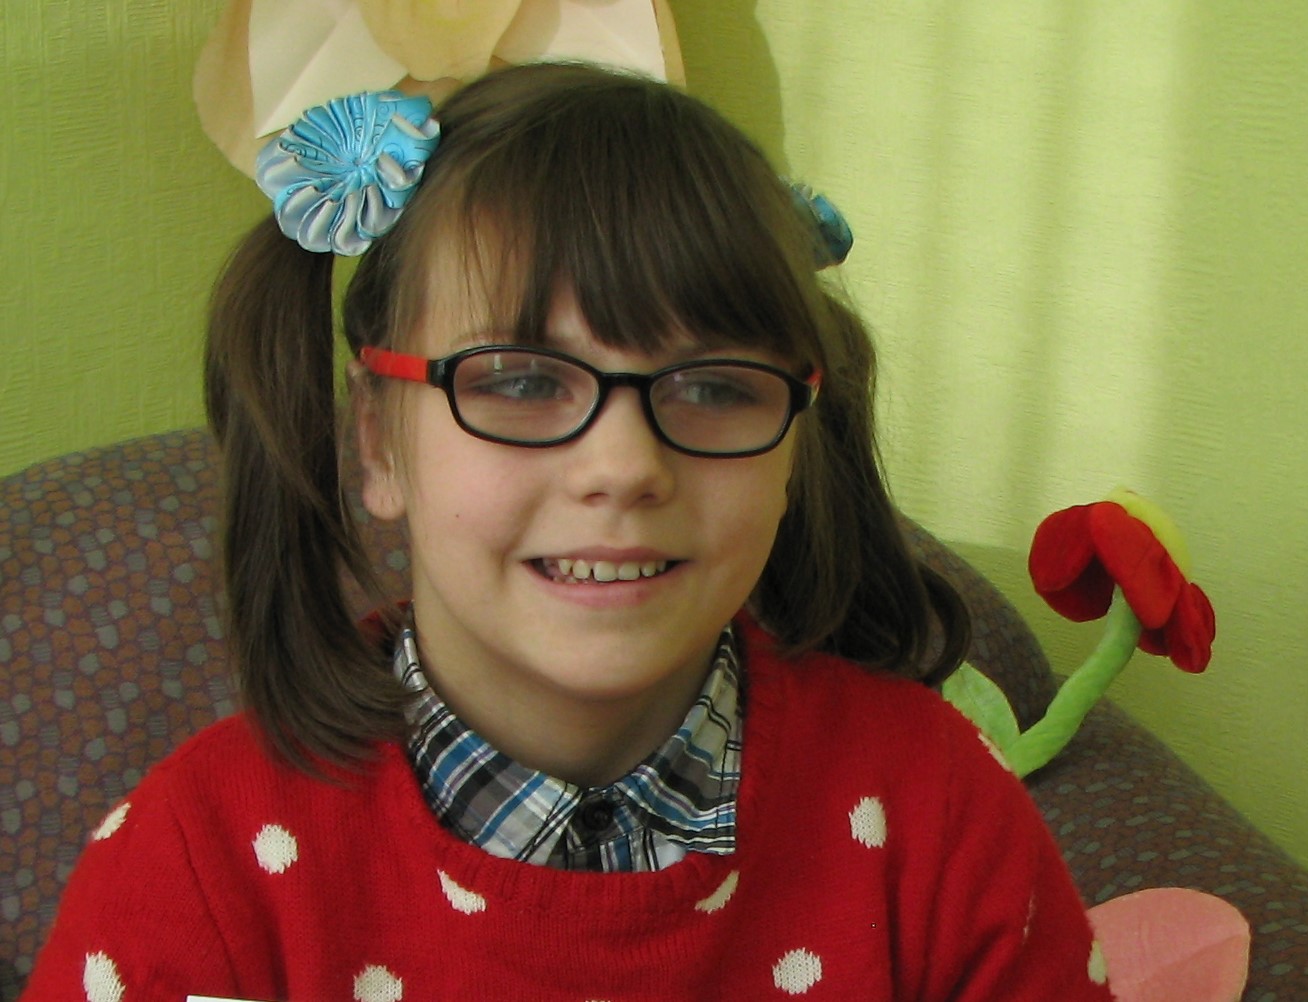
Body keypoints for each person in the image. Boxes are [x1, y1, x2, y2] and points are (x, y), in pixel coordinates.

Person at [22, 63, 1115, 1000]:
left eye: (715, 387)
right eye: (520, 380)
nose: (624, 467)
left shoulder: (935, 811)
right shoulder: (200, 871)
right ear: (378, 441)